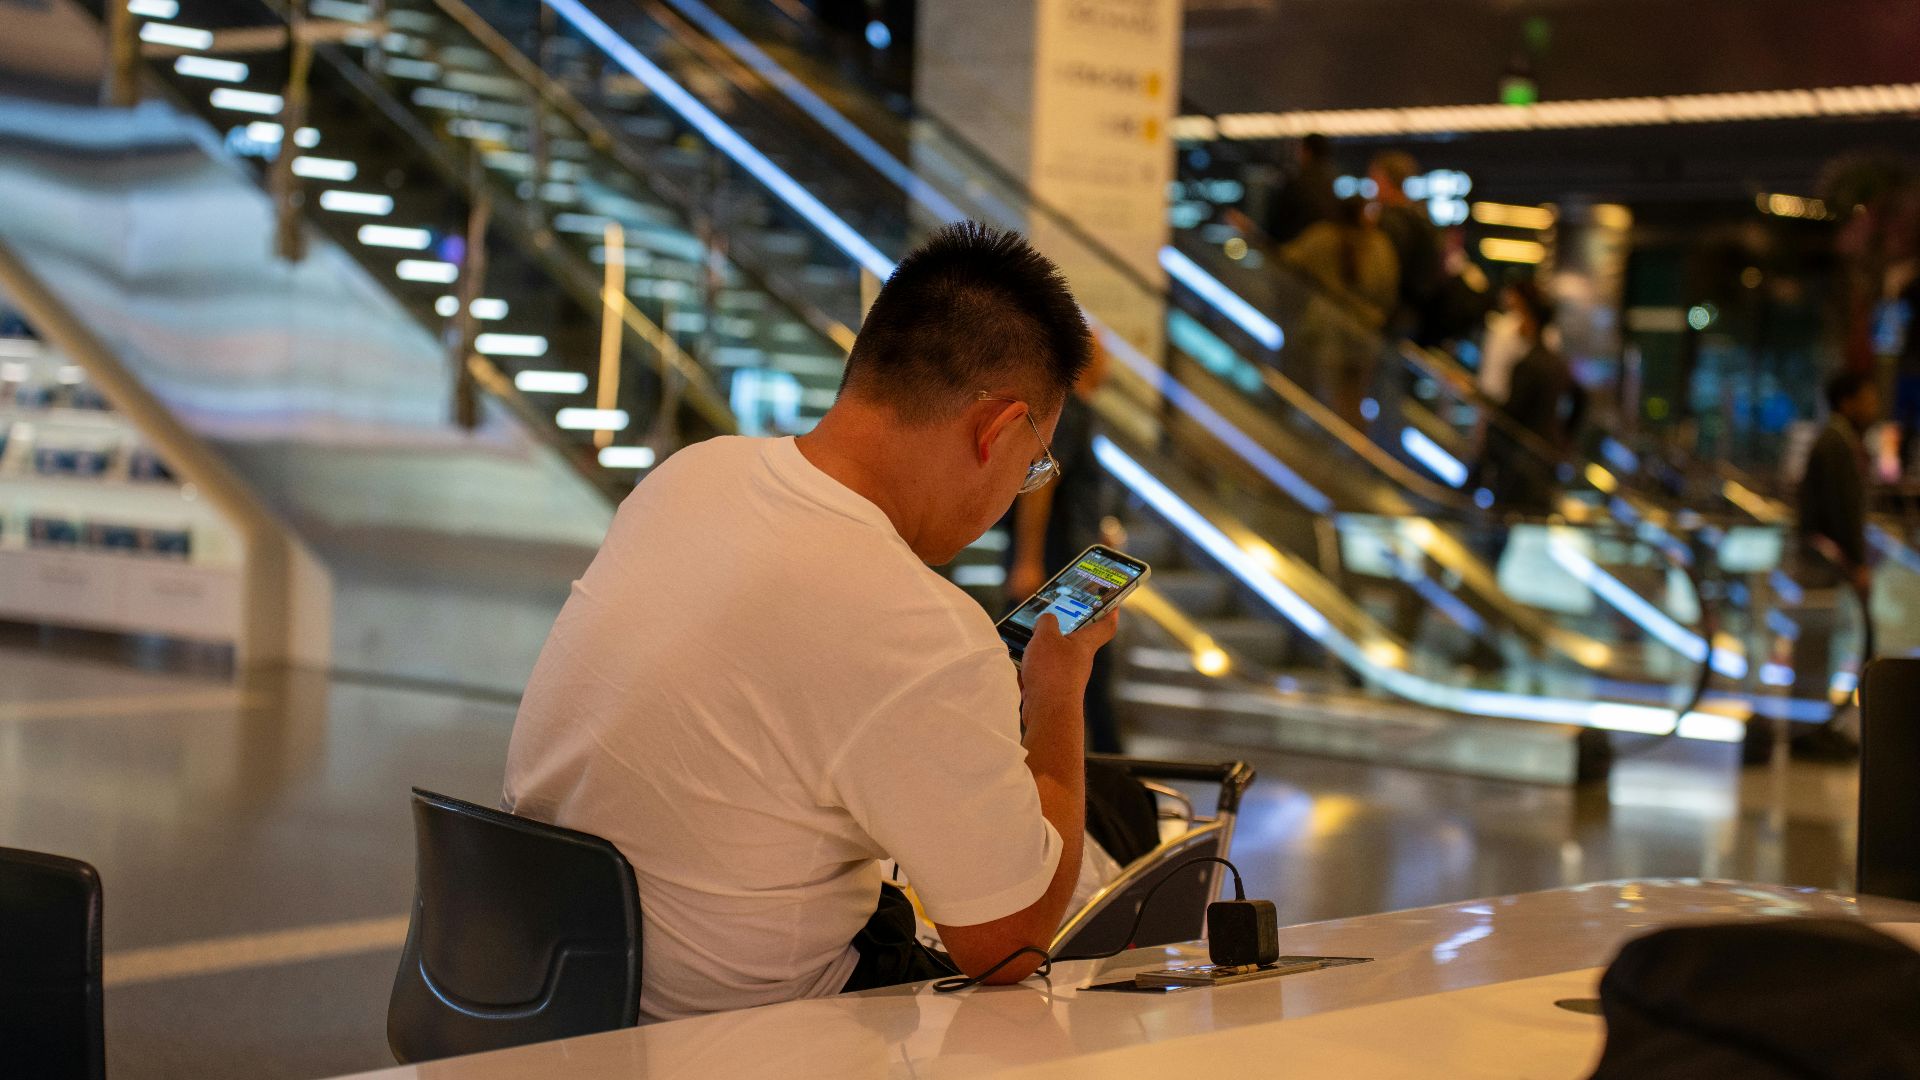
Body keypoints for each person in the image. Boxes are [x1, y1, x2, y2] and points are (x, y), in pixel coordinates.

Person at [503, 222, 1114, 1021]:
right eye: (1033, 465)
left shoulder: (693, 473)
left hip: (540, 991)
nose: (1019, 490)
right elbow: (1009, 943)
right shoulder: (919, 627)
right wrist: (1057, 691)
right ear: (995, 430)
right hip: (733, 1037)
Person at [1005, 341, 1122, 754]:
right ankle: (1110, 775)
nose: (1112, 361)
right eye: (1104, 351)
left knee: (1088, 672)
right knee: (1080, 671)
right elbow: (1041, 485)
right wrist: (1027, 560)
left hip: (1074, 559)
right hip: (1062, 567)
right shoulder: (1068, 408)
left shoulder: (1078, 409)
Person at [1774, 370, 1877, 762]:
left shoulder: (1839, 440)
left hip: (1826, 564)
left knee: (1820, 647)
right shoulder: (1834, 442)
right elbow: (1841, 509)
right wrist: (1856, 560)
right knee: (1814, 648)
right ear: (1847, 400)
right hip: (1823, 564)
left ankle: (1816, 724)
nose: (1873, 405)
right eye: (1866, 396)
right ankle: (1807, 729)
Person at [1280, 194, 1400, 427]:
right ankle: (1353, 449)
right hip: (1366, 334)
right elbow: (1389, 292)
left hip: (1327, 328)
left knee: (1325, 393)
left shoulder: (1323, 237)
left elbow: (1289, 259)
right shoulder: (1380, 245)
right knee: (1354, 397)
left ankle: (1322, 443)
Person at [1478, 281, 1584, 516]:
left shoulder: (1529, 365)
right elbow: (1581, 398)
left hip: (1520, 460)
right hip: (1545, 456)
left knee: (1504, 518)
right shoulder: (1555, 362)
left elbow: (1512, 413)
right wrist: (1565, 438)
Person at [1368, 150, 1446, 344]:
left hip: (1393, 312)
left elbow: (1384, 270)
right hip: (1415, 311)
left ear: (1385, 180)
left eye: (1375, 179)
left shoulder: (1391, 220)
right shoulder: (1419, 217)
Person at [1262, 133, 1341, 246]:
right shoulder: (1331, 185)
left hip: (1296, 251)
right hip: (1325, 251)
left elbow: (1276, 226)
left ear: (1306, 151)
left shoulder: (1297, 183)